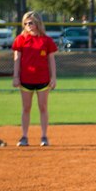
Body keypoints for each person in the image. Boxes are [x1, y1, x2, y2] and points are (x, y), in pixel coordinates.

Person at [12, 11, 57, 147]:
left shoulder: (46, 40)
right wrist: (15, 76)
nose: (28, 25)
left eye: (31, 22)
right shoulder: (20, 39)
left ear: (38, 22)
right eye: (25, 23)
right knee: (26, 108)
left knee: (43, 107)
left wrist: (53, 77)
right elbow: (17, 59)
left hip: (42, 78)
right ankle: (24, 136)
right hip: (26, 79)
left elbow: (51, 60)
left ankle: (44, 136)